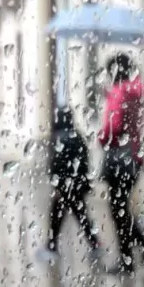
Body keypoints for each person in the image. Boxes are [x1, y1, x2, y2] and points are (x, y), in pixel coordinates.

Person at [99, 53, 144, 275]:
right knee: (122, 208)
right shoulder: (135, 92)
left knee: (118, 210)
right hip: (134, 156)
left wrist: (101, 138)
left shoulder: (119, 92)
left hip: (118, 158)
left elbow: (114, 125)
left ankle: (127, 260)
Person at [37, 106, 103, 263]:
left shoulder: (59, 137)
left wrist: (57, 186)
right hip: (78, 185)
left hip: (64, 187)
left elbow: (57, 166)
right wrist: (84, 183)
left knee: (57, 216)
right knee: (80, 215)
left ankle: (52, 247)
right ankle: (95, 244)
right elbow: (85, 161)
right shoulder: (78, 135)